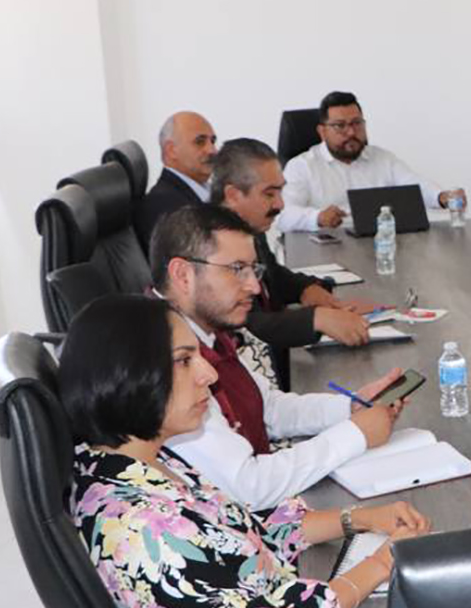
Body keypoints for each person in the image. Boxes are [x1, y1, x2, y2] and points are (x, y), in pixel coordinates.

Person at [61, 293, 431, 608]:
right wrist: (380, 564)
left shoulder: (140, 463)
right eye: (184, 361)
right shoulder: (143, 527)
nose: (208, 375)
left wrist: (356, 519)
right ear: (127, 375)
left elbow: (245, 534)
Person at [150, 203, 403, 512]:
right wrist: (355, 435)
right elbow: (249, 487)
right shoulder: (163, 360)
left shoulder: (204, 329)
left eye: (253, 270)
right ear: (183, 275)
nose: (254, 287)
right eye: (237, 269)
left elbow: (267, 408)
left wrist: (349, 407)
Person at [212, 137, 382, 351]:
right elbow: (247, 323)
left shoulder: (248, 229)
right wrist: (317, 319)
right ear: (233, 195)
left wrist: (306, 288)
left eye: (280, 192)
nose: (280, 204)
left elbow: (273, 275)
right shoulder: (212, 248)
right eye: (269, 194)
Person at [279, 91, 466, 233]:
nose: (351, 132)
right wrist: (317, 217)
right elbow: (283, 215)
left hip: (378, 244)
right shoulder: (301, 166)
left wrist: (441, 197)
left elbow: (414, 186)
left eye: (356, 123)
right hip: (327, 249)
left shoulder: (383, 158)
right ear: (322, 131)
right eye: (340, 126)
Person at [135, 111, 218, 250]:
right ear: (171, 150)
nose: (212, 150)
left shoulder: (209, 191)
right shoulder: (165, 206)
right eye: (200, 142)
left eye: (212, 141)